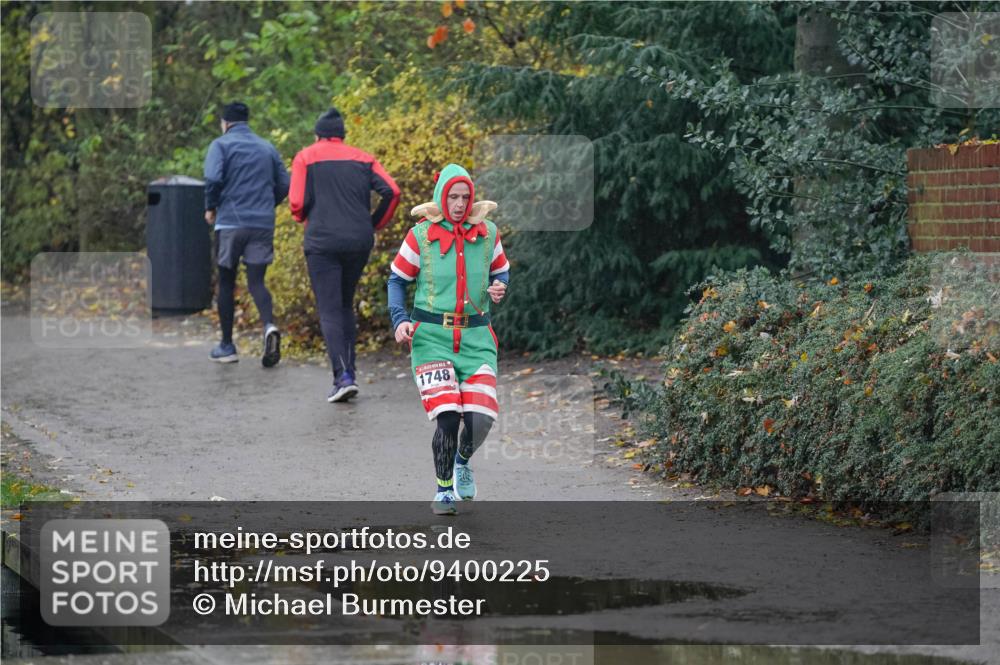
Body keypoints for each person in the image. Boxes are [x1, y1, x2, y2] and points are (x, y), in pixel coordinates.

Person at [388, 164, 510, 515]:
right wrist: (399, 321)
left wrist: (501, 286)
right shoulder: (420, 236)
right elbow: (396, 280)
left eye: (465, 197)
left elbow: (501, 269)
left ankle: (462, 461)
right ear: (442, 198)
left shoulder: (488, 233)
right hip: (430, 338)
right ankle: (442, 489)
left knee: (481, 416)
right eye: (453, 197)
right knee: (447, 414)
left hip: (476, 337)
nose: (459, 204)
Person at [290, 108, 400, 402]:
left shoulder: (305, 157)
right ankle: (349, 372)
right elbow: (393, 191)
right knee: (345, 304)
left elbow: (296, 202)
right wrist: (372, 223)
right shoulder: (363, 158)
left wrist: (303, 216)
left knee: (329, 309)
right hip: (357, 241)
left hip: (322, 243)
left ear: (317, 134)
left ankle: (343, 377)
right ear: (342, 135)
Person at [203, 101, 290, 366]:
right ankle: (268, 326)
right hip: (262, 223)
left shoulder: (220, 145)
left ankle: (227, 346)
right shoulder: (267, 147)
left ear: (225, 123)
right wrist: (267, 205)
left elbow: (213, 178)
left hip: (230, 223)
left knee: (227, 282)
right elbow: (285, 184)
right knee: (257, 282)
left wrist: (211, 207)